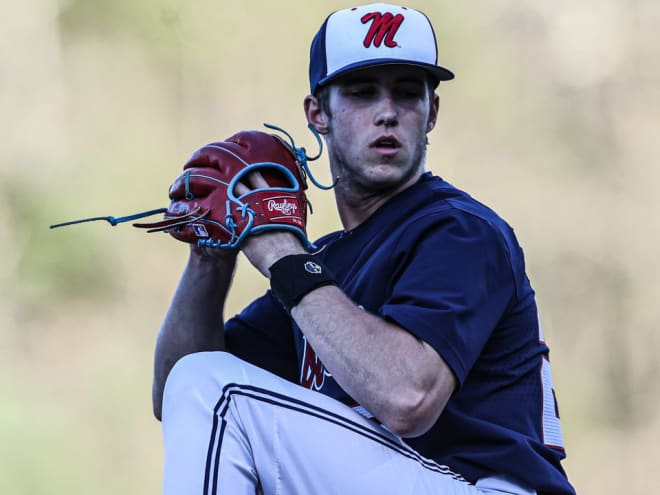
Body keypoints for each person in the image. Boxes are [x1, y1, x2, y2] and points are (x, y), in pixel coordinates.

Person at [152, 3, 575, 495]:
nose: (388, 112)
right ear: (318, 114)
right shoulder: (326, 268)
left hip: (488, 487)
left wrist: (280, 252)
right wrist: (211, 257)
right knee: (205, 384)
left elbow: (408, 398)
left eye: (407, 93)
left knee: (217, 390)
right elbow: (175, 393)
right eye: (361, 93)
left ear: (431, 112)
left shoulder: (461, 231)